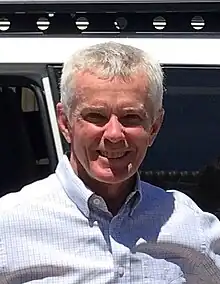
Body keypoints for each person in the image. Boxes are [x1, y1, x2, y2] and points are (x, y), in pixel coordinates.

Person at [0, 42, 220, 284]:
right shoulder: (8, 225)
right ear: (65, 123)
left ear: (154, 127)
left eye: (131, 117)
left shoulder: (188, 223)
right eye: (96, 116)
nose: (114, 134)